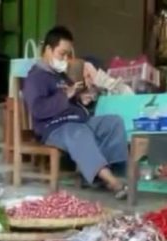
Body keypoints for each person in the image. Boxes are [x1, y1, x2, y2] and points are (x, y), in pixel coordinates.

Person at [23, 27, 130, 197]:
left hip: (76, 120)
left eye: (68, 55)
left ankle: (115, 175)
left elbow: (71, 98)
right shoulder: (35, 77)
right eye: (62, 54)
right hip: (54, 128)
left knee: (113, 123)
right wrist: (66, 95)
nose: (65, 59)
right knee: (78, 133)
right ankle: (113, 182)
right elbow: (37, 109)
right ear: (48, 50)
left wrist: (81, 99)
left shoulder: (59, 75)